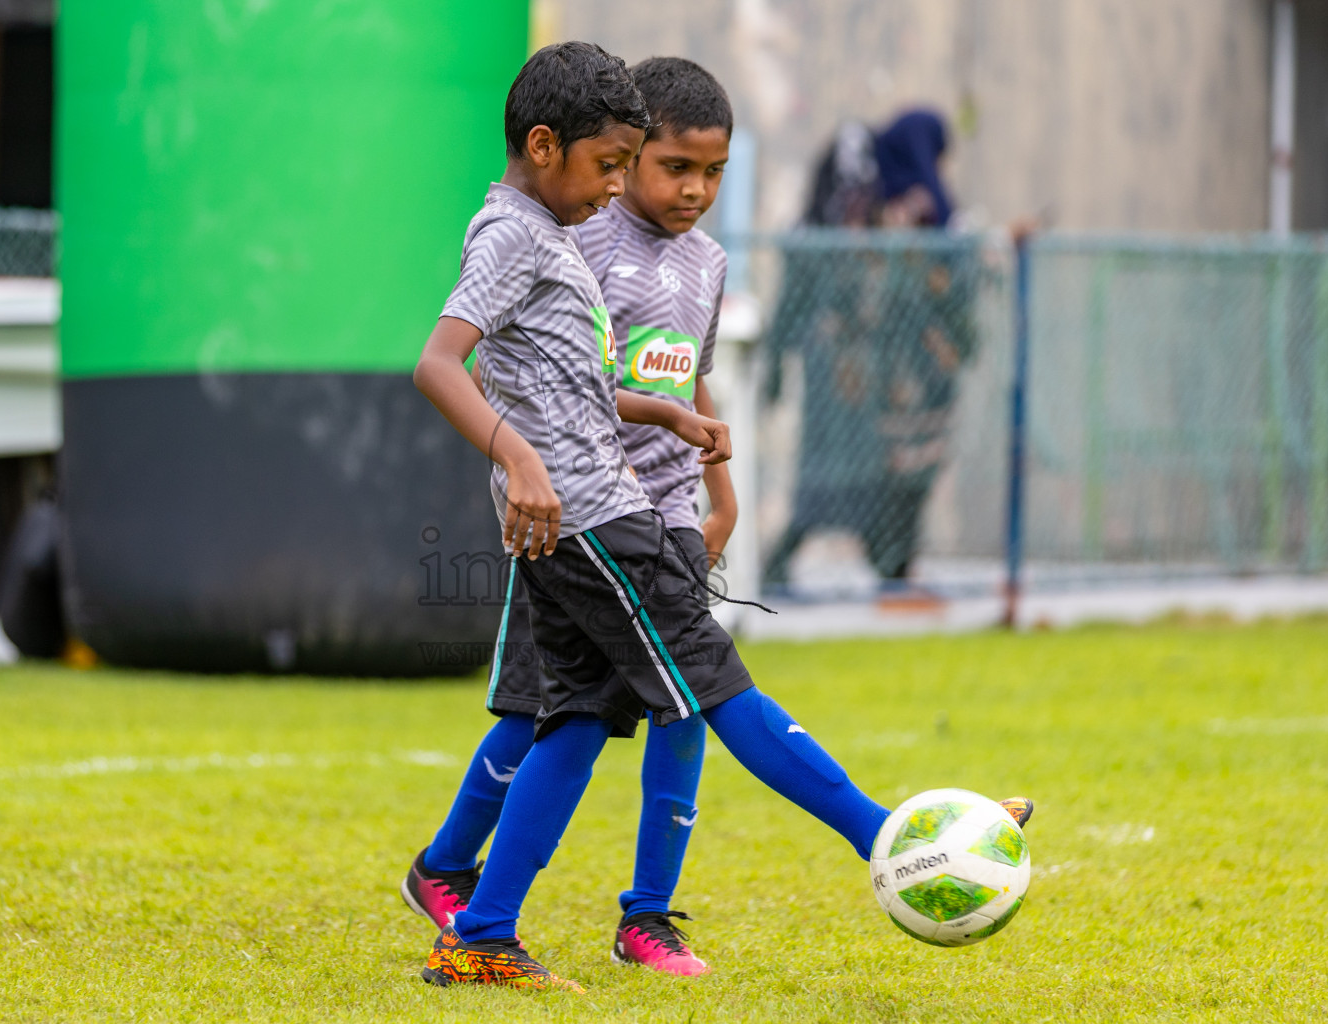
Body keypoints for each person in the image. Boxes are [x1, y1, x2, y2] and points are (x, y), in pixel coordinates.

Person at [410, 47, 1030, 992]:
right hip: (594, 520)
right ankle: (895, 839)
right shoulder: (522, 235)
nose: (620, 187)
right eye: (613, 166)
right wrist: (519, 458)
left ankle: (483, 931)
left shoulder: (558, 238)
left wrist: (668, 418)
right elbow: (442, 364)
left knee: (576, 719)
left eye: (633, 166)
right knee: (716, 686)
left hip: (605, 510)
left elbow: (575, 389)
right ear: (544, 146)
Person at [400, 56, 736, 979]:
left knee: (672, 706)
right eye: (663, 164)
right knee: (543, 708)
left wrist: (717, 491)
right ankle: (448, 874)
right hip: (573, 520)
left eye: (711, 172)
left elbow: (687, 372)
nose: (683, 188)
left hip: (655, 512)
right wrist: (521, 458)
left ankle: (648, 915)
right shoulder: (566, 235)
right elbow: (476, 366)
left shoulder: (705, 263)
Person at [762, 110, 979, 603]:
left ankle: (893, 566)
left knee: (891, 473)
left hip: (888, 375)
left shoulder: (912, 203)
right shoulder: (859, 195)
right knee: (827, 474)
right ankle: (784, 562)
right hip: (843, 371)